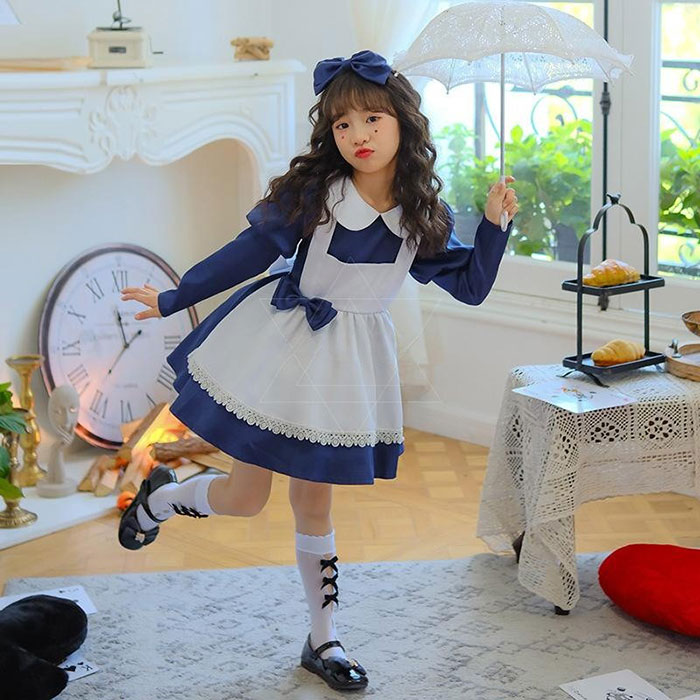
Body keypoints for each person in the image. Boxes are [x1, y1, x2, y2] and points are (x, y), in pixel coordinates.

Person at [118, 49, 518, 693]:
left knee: (313, 501)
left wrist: (495, 227)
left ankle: (323, 638)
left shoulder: (421, 213)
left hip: (348, 365)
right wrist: (174, 296)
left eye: (373, 119)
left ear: (403, 122)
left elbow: (471, 287)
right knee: (246, 500)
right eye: (343, 124)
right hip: (283, 346)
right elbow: (248, 253)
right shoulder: (318, 195)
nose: (359, 135)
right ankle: (161, 499)